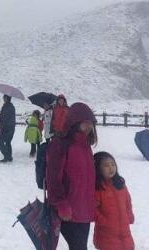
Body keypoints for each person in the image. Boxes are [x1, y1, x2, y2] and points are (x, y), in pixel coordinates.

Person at [46, 102, 97, 250]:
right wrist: (60, 203)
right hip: (67, 211)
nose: (88, 127)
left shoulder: (86, 146)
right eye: (85, 123)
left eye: (91, 123)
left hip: (84, 210)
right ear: (74, 121)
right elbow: (53, 178)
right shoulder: (60, 145)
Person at [93, 152, 134, 250]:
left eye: (113, 164)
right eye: (106, 165)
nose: (111, 168)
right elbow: (92, 209)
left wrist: (129, 215)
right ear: (98, 169)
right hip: (106, 236)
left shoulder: (120, 184)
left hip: (125, 233)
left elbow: (127, 201)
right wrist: (104, 221)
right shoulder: (97, 189)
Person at [0, 95, 16, 163]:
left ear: (6, 98)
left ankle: (6, 156)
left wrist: (1, 127)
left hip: (6, 127)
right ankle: (9, 157)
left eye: (4, 97)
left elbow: (4, 118)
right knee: (8, 142)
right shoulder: (11, 106)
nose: (3, 98)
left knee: (0, 142)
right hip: (11, 127)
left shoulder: (6, 107)